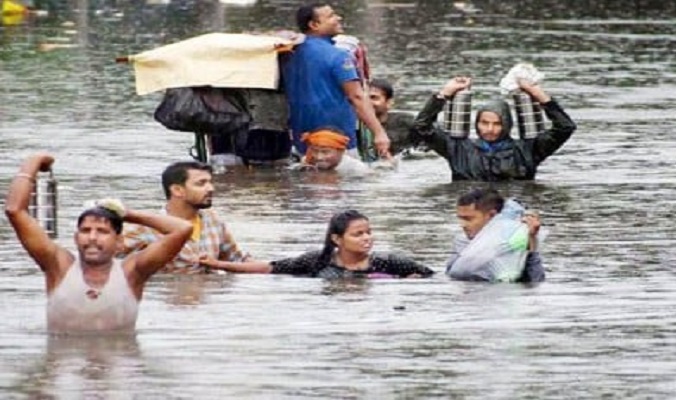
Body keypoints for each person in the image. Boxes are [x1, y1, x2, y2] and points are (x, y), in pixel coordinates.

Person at [4, 153, 193, 333]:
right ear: (76, 238)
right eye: (85, 231)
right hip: (64, 363)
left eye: (102, 231)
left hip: (121, 364)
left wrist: (127, 213)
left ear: (119, 241)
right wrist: (33, 162)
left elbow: (182, 229)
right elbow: (15, 211)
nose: (92, 237)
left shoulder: (133, 272)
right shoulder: (58, 266)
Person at [413, 76, 577, 181]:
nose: (490, 129)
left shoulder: (528, 149)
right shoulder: (458, 148)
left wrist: (539, 95)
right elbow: (422, 126)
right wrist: (444, 94)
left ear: (507, 125)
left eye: (497, 124)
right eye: (484, 123)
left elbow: (565, 127)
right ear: (476, 123)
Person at [282, 3, 390, 157]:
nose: (338, 18)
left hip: (301, 139)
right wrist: (379, 133)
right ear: (314, 24)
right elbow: (357, 96)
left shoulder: (288, 53)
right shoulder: (339, 56)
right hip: (337, 139)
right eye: (331, 16)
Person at [198, 210, 435, 279]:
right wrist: (217, 264)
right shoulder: (316, 262)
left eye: (369, 232)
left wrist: (409, 284)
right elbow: (267, 268)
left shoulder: (388, 262)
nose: (367, 238)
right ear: (337, 239)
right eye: (358, 234)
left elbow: (431, 276)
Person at [120, 161, 248, 274]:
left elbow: (237, 260)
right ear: (177, 190)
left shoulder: (213, 221)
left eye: (210, 182)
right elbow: (106, 262)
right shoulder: (146, 228)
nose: (211, 188)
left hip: (208, 298)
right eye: (201, 184)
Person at [446, 188, 546, 283]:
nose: (462, 225)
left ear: (492, 215)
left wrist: (532, 240)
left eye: (468, 219)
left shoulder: (510, 245)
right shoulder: (463, 243)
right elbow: (450, 276)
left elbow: (535, 283)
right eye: (460, 219)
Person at [366, 78, 425, 157]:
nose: (367, 103)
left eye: (374, 98)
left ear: (389, 102)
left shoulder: (406, 122)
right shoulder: (355, 128)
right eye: (364, 98)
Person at [295, 126, 373, 175]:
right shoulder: (307, 162)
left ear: (341, 151)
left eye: (325, 152)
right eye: (315, 151)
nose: (319, 157)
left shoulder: (357, 169)